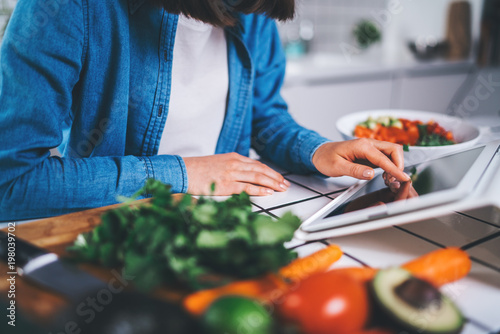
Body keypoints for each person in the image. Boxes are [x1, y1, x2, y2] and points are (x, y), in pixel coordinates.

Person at [0, 0, 409, 221]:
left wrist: (315, 151)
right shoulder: (65, 8)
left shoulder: (254, 11)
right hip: (120, 232)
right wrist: (185, 172)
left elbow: (262, 117)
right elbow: (12, 184)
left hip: (224, 223)